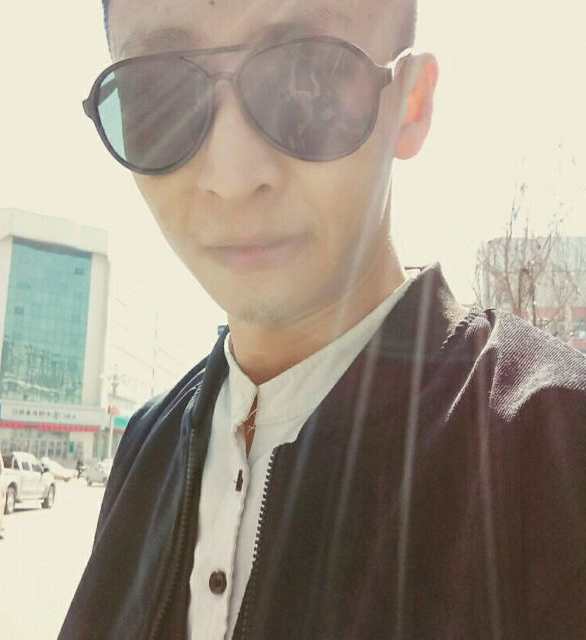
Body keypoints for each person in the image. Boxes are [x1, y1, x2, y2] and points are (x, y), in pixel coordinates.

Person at [60, 1, 586, 638]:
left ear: (410, 103)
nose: (232, 176)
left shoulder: (557, 446)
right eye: (158, 94)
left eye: (307, 78)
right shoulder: (147, 444)